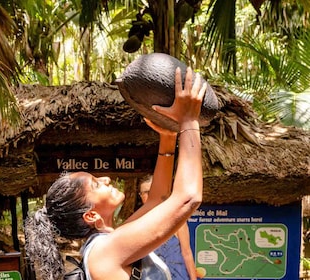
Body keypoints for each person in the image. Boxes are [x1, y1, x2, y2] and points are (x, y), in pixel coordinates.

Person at [25, 67, 206, 280]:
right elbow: (188, 198)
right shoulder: (103, 252)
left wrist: (168, 138)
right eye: (95, 184)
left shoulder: (111, 241)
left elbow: (158, 199)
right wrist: (189, 121)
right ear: (91, 215)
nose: (106, 179)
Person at [139, 175, 198, 279]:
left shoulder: (176, 218)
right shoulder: (137, 223)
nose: (150, 195)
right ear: (140, 195)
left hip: (178, 276)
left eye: (153, 191)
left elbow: (187, 253)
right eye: (146, 192)